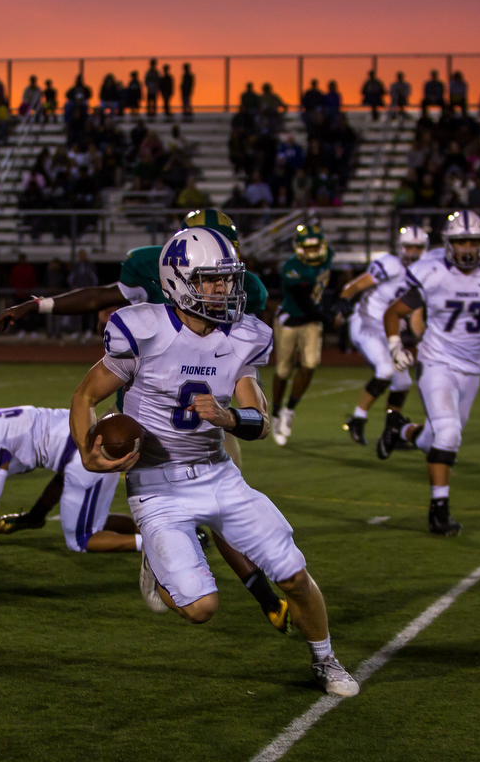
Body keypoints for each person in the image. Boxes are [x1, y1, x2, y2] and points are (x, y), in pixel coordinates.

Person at [69, 228, 360, 697]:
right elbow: (85, 395)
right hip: (157, 486)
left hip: (218, 474)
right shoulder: (143, 329)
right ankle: (157, 558)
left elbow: (259, 422)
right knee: (201, 608)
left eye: (228, 279)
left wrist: (228, 416)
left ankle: (325, 660)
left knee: (294, 575)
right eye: (212, 280)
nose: (224, 290)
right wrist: (88, 450)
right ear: (178, 281)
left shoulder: (242, 335)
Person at [0, 210, 289, 632]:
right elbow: (100, 297)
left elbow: (240, 346)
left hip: (212, 409)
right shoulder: (152, 269)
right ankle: (166, 554)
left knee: (222, 501)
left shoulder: (243, 290)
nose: (223, 277)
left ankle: (261, 592)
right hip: (150, 403)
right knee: (106, 455)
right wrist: (38, 305)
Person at [377, 211, 480, 533]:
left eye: (473, 241)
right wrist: (395, 345)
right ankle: (438, 512)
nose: (467, 248)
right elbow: (393, 311)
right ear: (448, 243)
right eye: (461, 241)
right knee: (449, 432)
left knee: (437, 437)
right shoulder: (432, 271)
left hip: (471, 369)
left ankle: (399, 430)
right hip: (436, 362)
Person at [0, 408, 135, 558]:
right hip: (83, 436)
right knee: (94, 520)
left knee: (80, 539)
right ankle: (151, 532)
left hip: (83, 457)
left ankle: (149, 545)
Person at [334, 226, 429, 444]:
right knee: (385, 370)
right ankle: (358, 418)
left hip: (388, 333)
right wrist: (343, 301)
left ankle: (392, 430)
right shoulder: (391, 264)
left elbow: (416, 319)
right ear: (401, 247)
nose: (413, 252)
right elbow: (355, 284)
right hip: (365, 322)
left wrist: (428, 340)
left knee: (403, 382)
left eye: (418, 247)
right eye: (409, 247)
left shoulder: (424, 277)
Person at [270, 224, 333, 446]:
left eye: (316, 246)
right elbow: (302, 299)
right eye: (308, 247)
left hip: (312, 321)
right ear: (298, 248)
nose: (313, 251)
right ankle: (276, 413)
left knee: (310, 364)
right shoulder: (291, 267)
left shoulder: (328, 258)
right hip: (292, 319)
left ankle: (289, 410)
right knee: (283, 370)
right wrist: (327, 316)